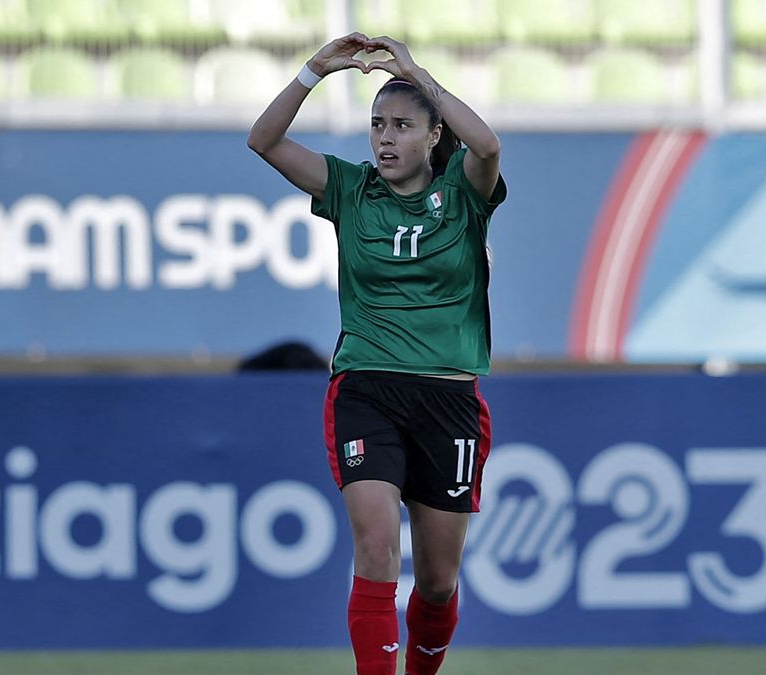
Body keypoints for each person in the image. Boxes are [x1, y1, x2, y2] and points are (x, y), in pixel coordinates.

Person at [248, 33, 506, 675]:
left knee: (440, 581)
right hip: (367, 388)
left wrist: (419, 72)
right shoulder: (349, 191)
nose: (385, 138)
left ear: (431, 135)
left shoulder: (465, 196)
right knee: (376, 546)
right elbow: (264, 141)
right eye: (376, 125)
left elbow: (489, 145)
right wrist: (314, 70)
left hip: (448, 398)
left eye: (401, 126)